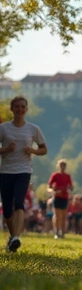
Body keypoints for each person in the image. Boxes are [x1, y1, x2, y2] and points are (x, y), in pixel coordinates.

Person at [0, 96, 47, 252]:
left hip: (24, 170)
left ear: (26, 110)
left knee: (19, 203)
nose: (20, 109)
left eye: (22, 107)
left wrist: (32, 150)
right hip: (6, 171)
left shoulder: (33, 129)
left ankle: (16, 237)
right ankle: (13, 237)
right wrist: (6, 150)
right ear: (12, 109)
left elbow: (43, 149)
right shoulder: (4, 128)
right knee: (7, 210)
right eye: (17, 107)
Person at [47, 159, 73, 239]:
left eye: (64, 165)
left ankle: (62, 232)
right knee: (57, 215)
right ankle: (57, 231)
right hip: (57, 197)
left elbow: (71, 187)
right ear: (58, 166)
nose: (62, 167)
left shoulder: (67, 176)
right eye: (61, 165)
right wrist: (54, 192)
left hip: (65, 197)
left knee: (64, 216)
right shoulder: (55, 175)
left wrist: (69, 188)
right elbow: (48, 187)